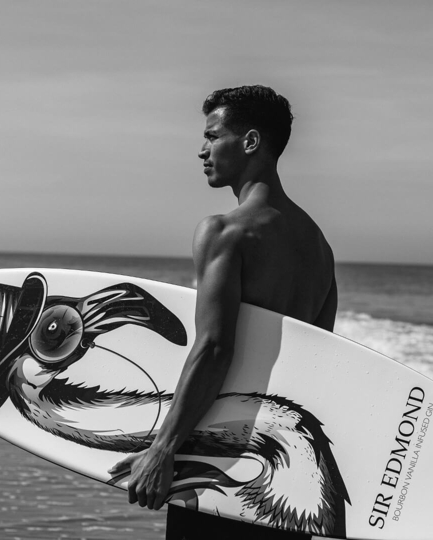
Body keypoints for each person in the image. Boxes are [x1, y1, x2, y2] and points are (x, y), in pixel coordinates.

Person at [109, 85, 337, 539]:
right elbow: (316, 365)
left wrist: (164, 448)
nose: (202, 149)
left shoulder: (224, 232)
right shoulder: (320, 248)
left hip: (219, 463)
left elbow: (213, 347)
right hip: (281, 478)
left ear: (250, 142)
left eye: (213, 136)